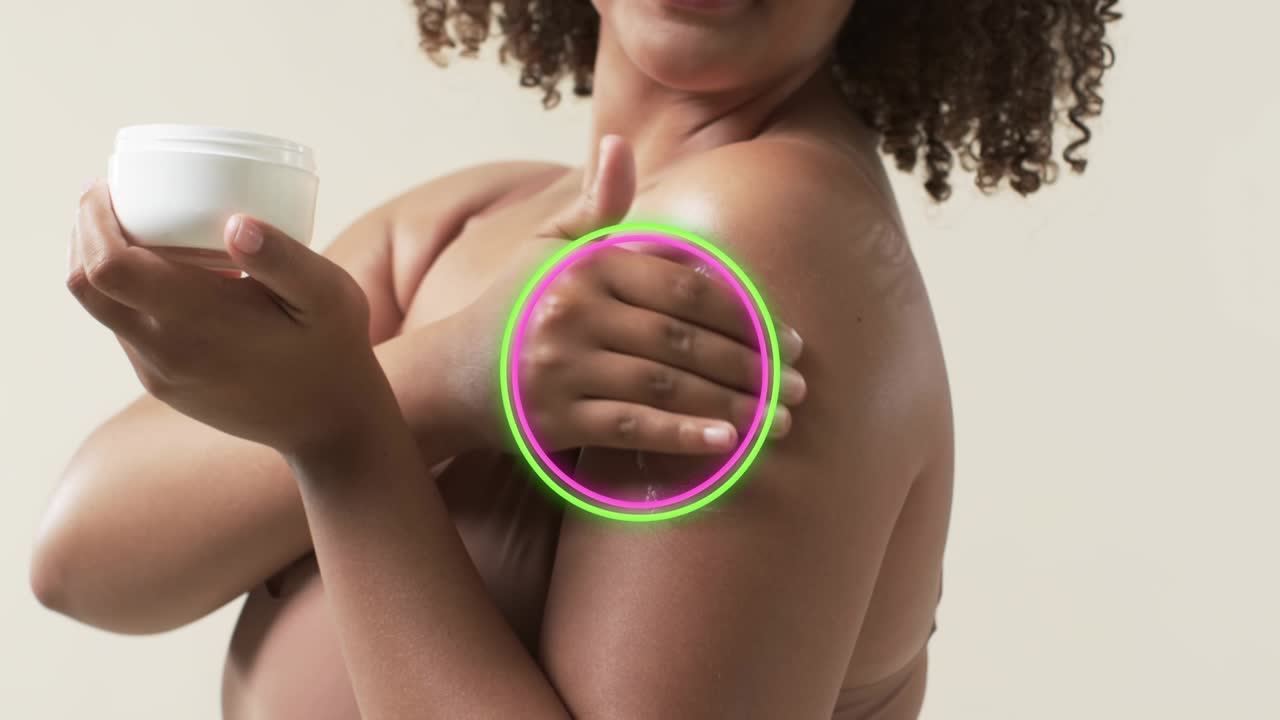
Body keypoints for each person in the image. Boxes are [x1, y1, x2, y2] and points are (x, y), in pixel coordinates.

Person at [31, 1, 1119, 718]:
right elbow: (79, 560)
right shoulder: (480, 216)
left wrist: (339, 430)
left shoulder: (749, 239)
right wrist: (449, 377)